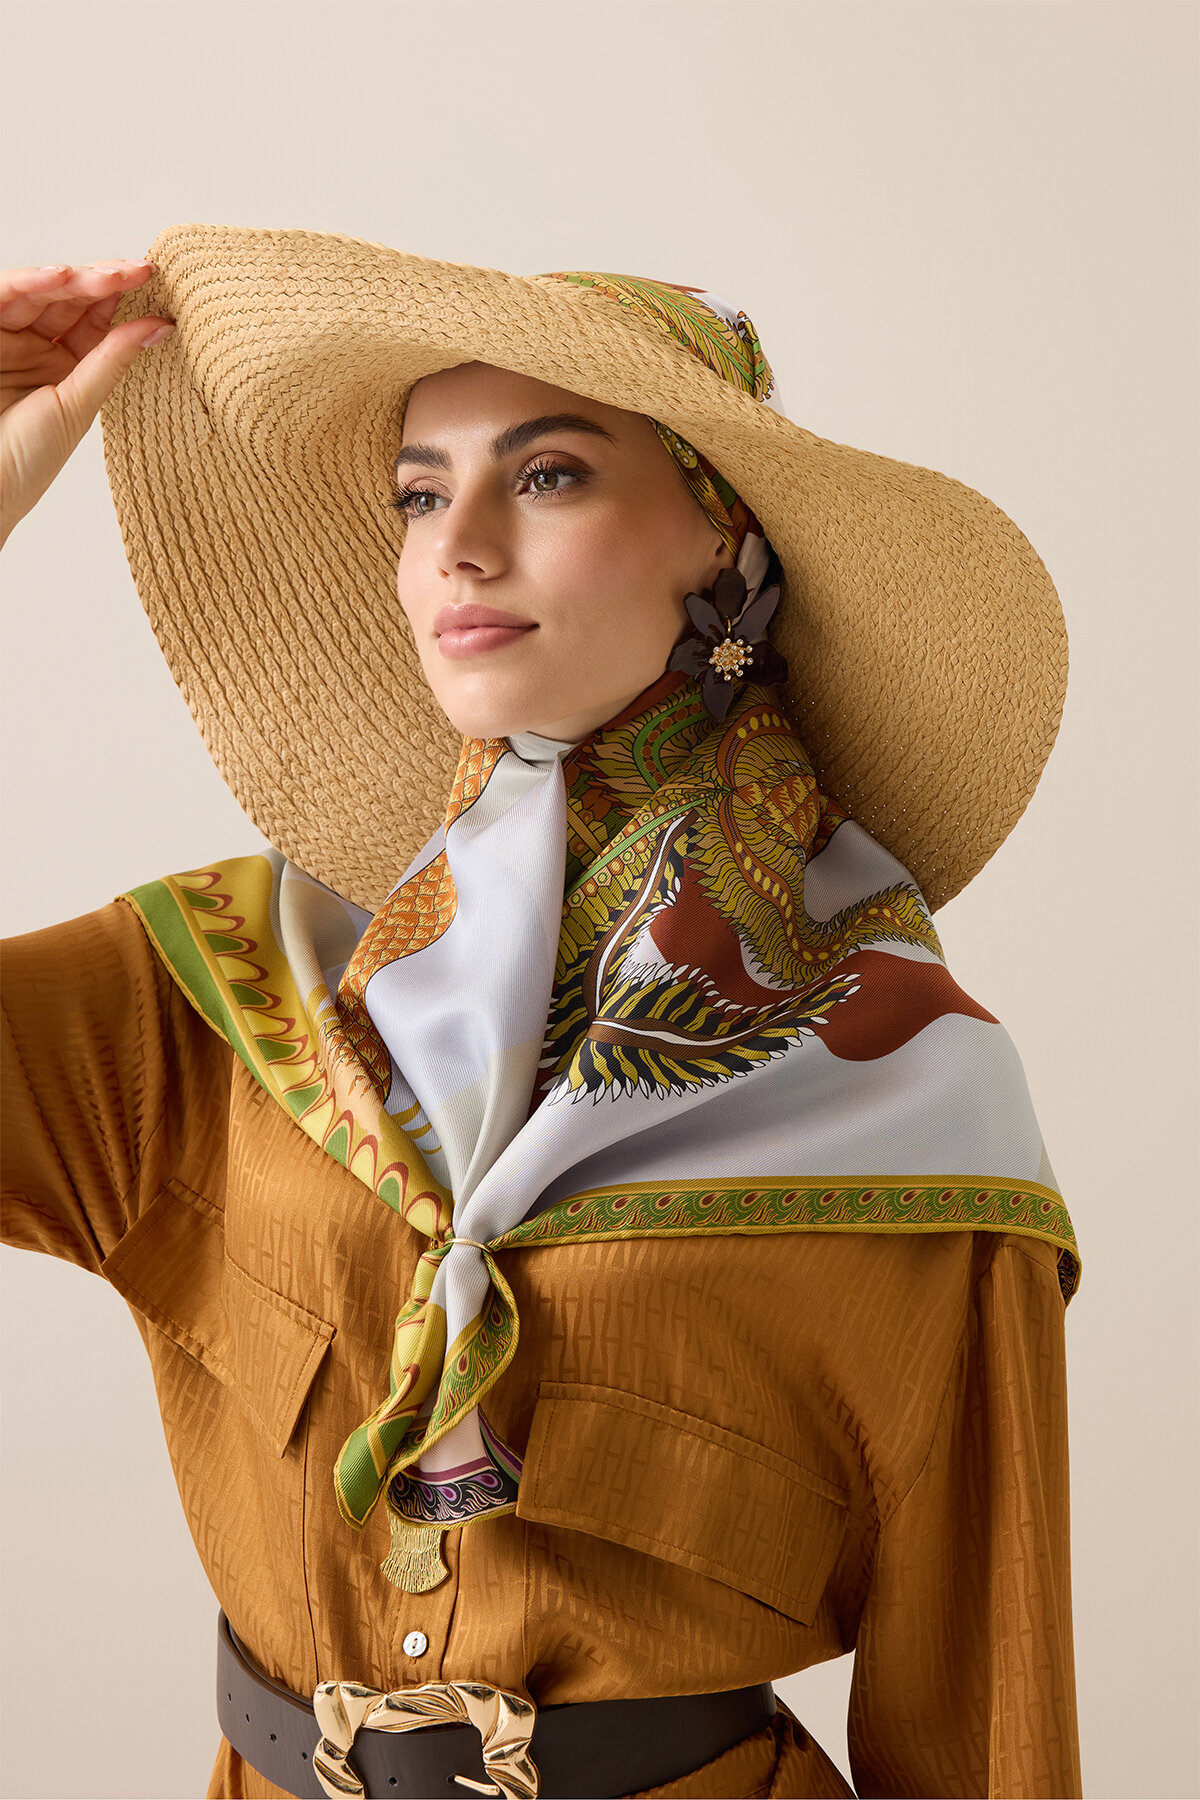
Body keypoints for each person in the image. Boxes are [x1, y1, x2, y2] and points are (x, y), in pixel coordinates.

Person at [0, 234, 1084, 1800]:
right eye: (418, 494)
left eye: (551, 475)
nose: (459, 546)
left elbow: (987, 1715)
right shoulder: (225, 994)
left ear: (721, 540)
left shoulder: (912, 1093)